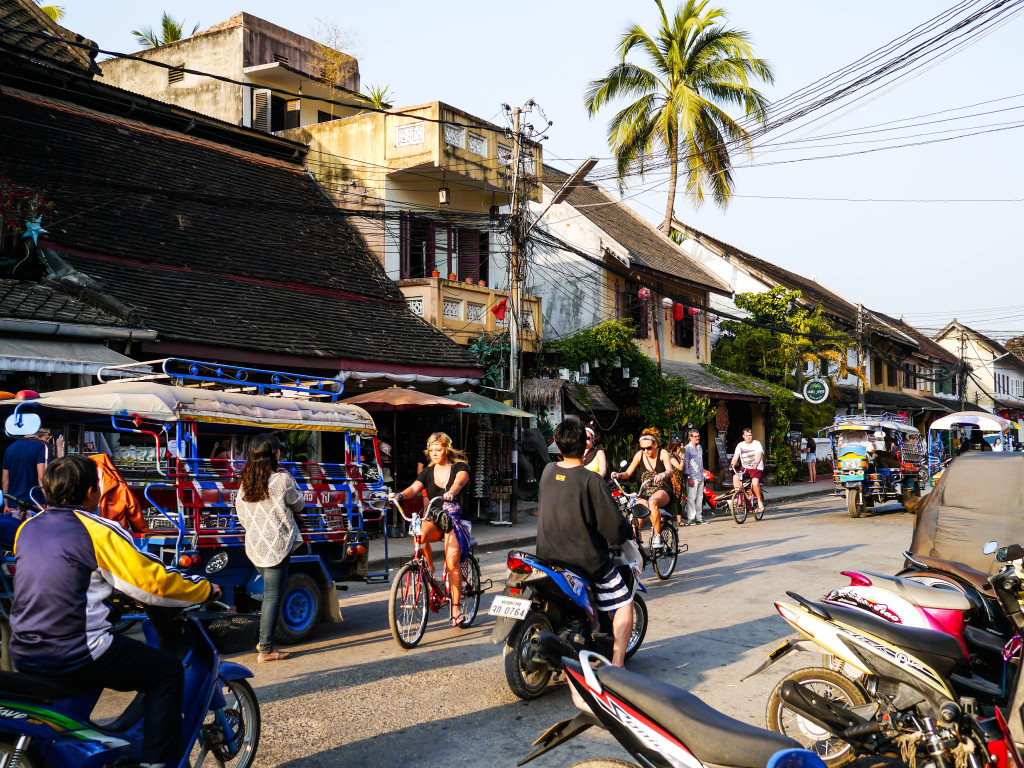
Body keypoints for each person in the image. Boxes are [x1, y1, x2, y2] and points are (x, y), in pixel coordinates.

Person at [10, 455, 217, 768]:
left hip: (24, 650)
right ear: (93, 492)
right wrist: (203, 588)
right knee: (168, 672)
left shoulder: (28, 529)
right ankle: (157, 763)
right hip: (76, 650)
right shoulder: (98, 530)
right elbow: (152, 584)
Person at [536, 419, 633, 667]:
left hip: (547, 556)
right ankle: (618, 663)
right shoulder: (591, 480)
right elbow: (612, 525)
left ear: (558, 445)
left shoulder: (548, 472)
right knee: (624, 601)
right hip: (584, 561)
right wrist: (626, 530)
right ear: (585, 447)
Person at [234, 433, 304, 662]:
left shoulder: (245, 485)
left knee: (270, 594)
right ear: (273, 454)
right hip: (277, 546)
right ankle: (266, 649)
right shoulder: (282, 481)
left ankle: (264, 639)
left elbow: (242, 518)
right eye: (278, 449)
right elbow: (299, 504)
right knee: (273, 596)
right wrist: (291, 478)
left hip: (255, 547)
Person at [391, 432, 471, 627]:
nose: (434, 454)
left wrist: (452, 491)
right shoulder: (427, 472)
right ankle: (428, 569)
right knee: (418, 533)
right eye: (431, 451)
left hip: (454, 520)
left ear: (447, 449)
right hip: (434, 519)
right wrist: (400, 496)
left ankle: (456, 608)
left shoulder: (459, 467)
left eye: (438, 449)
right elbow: (414, 488)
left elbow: (460, 481)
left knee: (452, 561)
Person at [611, 428, 677, 547]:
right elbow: (627, 474)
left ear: (655, 444)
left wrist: (663, 474)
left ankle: (657, 537)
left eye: (648, 448)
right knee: (635, 512)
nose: (645, 451)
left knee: (652, 502)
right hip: (645, 491)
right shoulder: (639, 455)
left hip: (662, 490)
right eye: (643, 448)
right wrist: (617, 474)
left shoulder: (662, 453)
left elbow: (670, 470)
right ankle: (636, 544)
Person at [2, 427, 51, 515]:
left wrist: (6, 504)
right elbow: (41, 477)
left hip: (13, 504)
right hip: (35, 503)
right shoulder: (41, 446)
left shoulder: (10, 448)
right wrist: (51, 501)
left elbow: (5, 480)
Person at [731, 427, 765, 513]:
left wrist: (756, 463)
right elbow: (735, 457)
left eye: (750, 435)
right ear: (743, 436)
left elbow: (759, 455)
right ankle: (739, 498)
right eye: (747, 435)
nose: (749, 437)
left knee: (755, 483)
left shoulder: (757, 444)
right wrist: (732, 464)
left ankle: (760, 503)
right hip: (745, 468)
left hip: (756, 468)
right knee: (735, 477)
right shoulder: (740, 445)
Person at [682, 429, 705, 526]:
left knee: (700, 498)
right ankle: (691, 518)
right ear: (690, 437)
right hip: (692, 476)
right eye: (695, 436)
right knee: (691, 498)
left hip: (700, 476)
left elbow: (701, 462)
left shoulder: (699, 447)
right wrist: (689, 477)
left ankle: (699, 518)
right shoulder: (687, 448)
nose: (697, 438)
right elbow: (685, 465)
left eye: (698, 436)